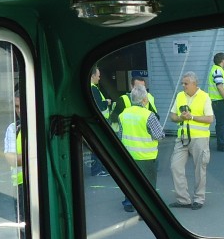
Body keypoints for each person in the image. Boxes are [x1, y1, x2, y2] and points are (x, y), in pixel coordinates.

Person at [168, 71, 213, 210]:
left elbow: (210, 119)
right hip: (182, 138)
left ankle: (199, 198)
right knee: (175, 166)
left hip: (200, 138)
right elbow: (172, 116)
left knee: (200, 169)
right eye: (183, 83)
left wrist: (192, 117)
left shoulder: (204, 97)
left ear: (194, 84)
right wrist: (181, 118)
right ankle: (183, 200)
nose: (183, 86)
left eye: (186, 83)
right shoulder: (180, 96)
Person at [118, 84, 166, 213]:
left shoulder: (124, 114)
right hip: (146, 157)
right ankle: (147, 207)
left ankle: (129, 202)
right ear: (144, 100)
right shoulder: (149, 115)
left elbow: (120, 135)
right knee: (147, 185)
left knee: (130, 180)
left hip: (128, 155)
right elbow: (159, 136)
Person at [2, 91, 24, 228]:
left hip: (44, 182)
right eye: (16, 107)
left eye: (22, 105)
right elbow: (11, 159)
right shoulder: (13, 128)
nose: (20, 110)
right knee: (23, 226)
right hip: (21, 186)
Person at [207, 52, 224, 152]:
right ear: (222, 60)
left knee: (221, 123)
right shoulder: (218, 70)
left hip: (218, 101)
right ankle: (222, 145)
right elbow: (219, 86)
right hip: (220, 101)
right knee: (222, 123)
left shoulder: (218, 69)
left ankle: (221, 143)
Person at [89, 68, 113, 175]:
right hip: (100, 122)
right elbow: (100, 106)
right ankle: (97, 169)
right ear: (93, 76)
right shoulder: (93, 88)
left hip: (97, 121)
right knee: (98, 145)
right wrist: (107, 102)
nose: (99, 78)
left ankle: (98, 168)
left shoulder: (91, 88)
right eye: (98, 76)